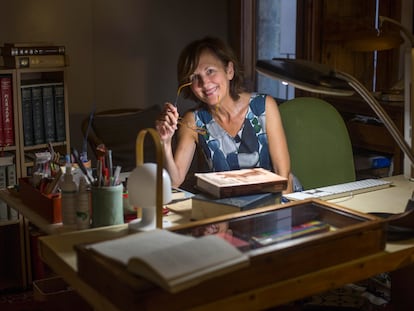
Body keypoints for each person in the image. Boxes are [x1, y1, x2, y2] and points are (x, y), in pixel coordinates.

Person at [156, 36, 295, 194]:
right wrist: (165, 142)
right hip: (230, 208)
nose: (205, 83)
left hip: (277, 200)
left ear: (229, 70)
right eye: (195, 77)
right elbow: (174, 181)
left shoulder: (264, 106)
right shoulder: (194, 121)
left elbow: (283, 174)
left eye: (210, 71)